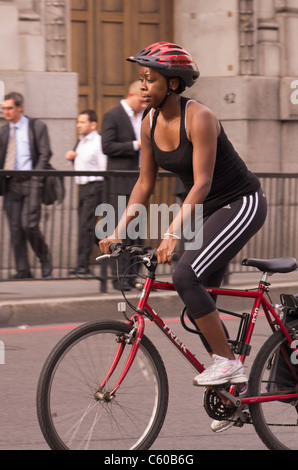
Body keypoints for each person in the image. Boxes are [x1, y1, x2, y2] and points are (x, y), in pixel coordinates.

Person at [99, 42, 267, 395]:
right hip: (207, 208)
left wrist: (173, 231)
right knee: (197, 303)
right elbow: (144, 184)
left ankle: (228, 364)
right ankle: (233, 392)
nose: (143, 86)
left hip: (241, 203)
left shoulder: (200, 117)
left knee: (184, 274)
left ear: (173, 84)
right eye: (141, 79)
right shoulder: (149, 122)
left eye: (150, 79)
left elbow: (202, 182)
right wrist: (117, 230)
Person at [0, 92, 52, 279]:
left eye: (9, 108)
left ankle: (44, 257)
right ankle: (23, 270)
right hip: (11, 184)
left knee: (29, 225)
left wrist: (37, 178)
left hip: (31, 181)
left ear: (20, 108)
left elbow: (45, 154)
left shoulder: (36, 126)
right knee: (15, 228)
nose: (5, 111)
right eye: (4, 108)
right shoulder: (4, 131)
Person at [101, 81, 146, 290]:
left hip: (139, 182)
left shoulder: (145, 117)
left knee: (137, 232)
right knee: (120, 232)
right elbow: (107, 146)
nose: (145, 104)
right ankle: (119, 278)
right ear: (131, 95)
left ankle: (135, 277)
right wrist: (135, 145)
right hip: (119, 184)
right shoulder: (113, 115)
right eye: (141, 100)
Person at [65, 110, 107, 276]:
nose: (78, 125)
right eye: (78, 122)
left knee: (86, 227)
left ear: (93, 124)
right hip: (82, 188)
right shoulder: (81, 142)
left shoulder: (98, 142)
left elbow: (104, 167)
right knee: (89, 229)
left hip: (94, 187)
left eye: (82, 122)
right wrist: (72, 160)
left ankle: (83, 266)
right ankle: (113, 253)